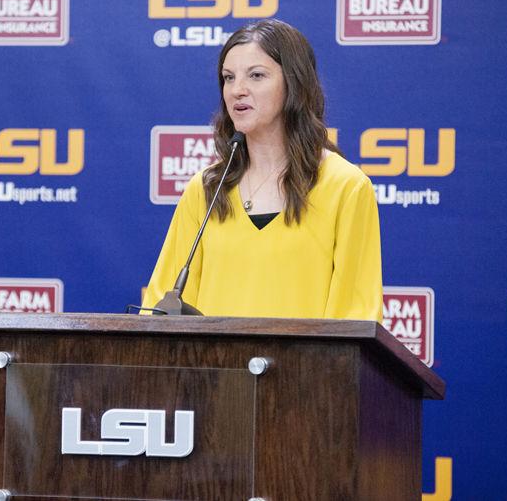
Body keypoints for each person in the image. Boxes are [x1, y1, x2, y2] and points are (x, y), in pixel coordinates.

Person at [142, 19, 382, 321]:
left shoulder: (345, 186)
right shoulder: (206, 188)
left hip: (305, 368)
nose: (237, 90)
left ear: (294, 84)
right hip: (214, 369)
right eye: (228, 78)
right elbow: (162, 309)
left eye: (256, 76)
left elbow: (354, 316)